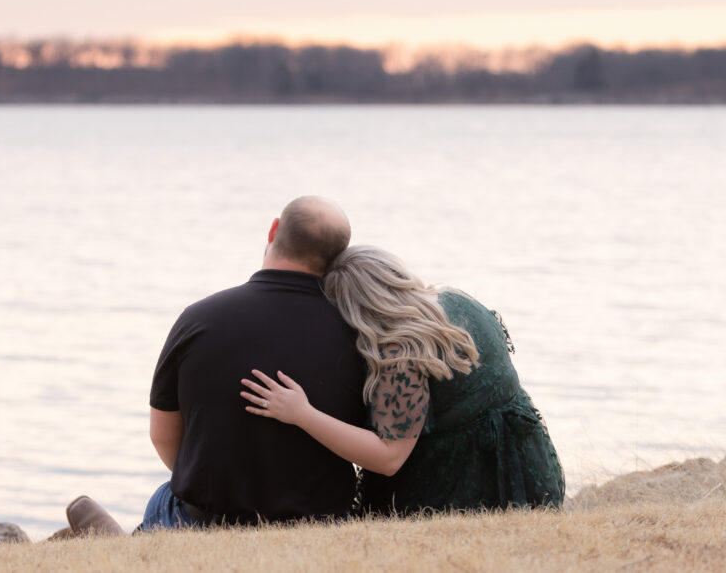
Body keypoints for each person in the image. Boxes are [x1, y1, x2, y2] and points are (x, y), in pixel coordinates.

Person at [240, 245, 564, 514]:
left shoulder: (401, 356)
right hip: (527, 468)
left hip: (470, 487)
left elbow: (388, 457)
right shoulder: (455, 301)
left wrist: (303, 414)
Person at [138, 195, 367, 529]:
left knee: (164, 497)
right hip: (320, 520)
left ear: (273, 229)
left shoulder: (198, 319)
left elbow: (162, 435)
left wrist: (212, 487)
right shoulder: (357, 333)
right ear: (337, 257)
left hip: (207, 518)